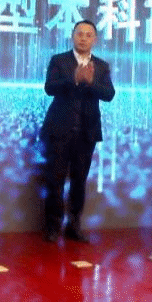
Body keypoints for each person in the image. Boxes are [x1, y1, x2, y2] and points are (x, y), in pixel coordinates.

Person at [40, 20, 115, 243]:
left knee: (79, 182)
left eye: (88, 35)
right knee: (55, 181)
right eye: (79, 33)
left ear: (95, 40)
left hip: (86, 133)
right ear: (73, 36)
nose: (83, 38)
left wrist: (90, 82)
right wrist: (74, 78)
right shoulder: (59, 60)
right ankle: (53, 227)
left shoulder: (101, 66)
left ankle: (74, 226)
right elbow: (49, 88)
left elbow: (109, 94)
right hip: (60, 130)